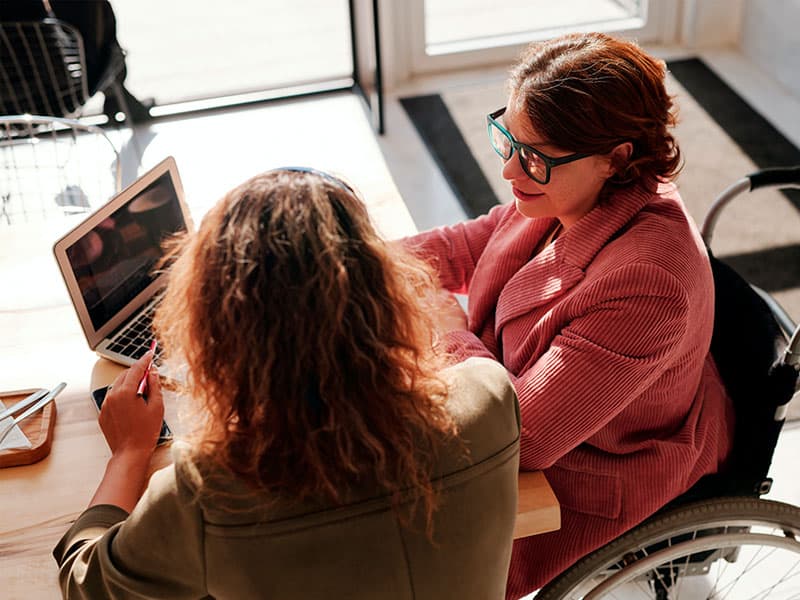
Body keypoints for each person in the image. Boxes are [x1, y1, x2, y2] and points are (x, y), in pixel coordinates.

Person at [52, 168, 521, 599]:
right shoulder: (491, 396)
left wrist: (129, 453)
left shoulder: (210, 489)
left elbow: (86, 587)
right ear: (386, 292)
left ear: (218, 330)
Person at [402, 32, 735, 598]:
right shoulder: (565, 187)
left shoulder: (648, 283)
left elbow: (521, 439)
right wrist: (344, 258)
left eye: (531, 156)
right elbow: (468, 245)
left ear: (617, 158)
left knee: (402, 543)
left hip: (588, 475)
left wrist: (449, 330)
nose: (510, 172)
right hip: (536, 402)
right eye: (505, 138)